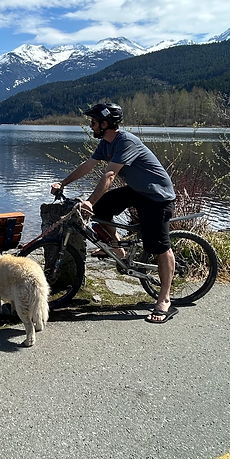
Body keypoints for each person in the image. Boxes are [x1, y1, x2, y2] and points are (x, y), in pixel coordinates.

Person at [50, 103, 178, 323]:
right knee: (102, 210)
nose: (91, 126)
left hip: (157, 197)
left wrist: (89, 201)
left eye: (93, 122)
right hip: (138, 190)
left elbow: (109, 175)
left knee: (160, 246)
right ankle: (118, 249)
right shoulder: (105, 143)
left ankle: (164, 298)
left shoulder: (125, 142)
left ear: (104, 123)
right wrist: (63, 182)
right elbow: (87, 165)